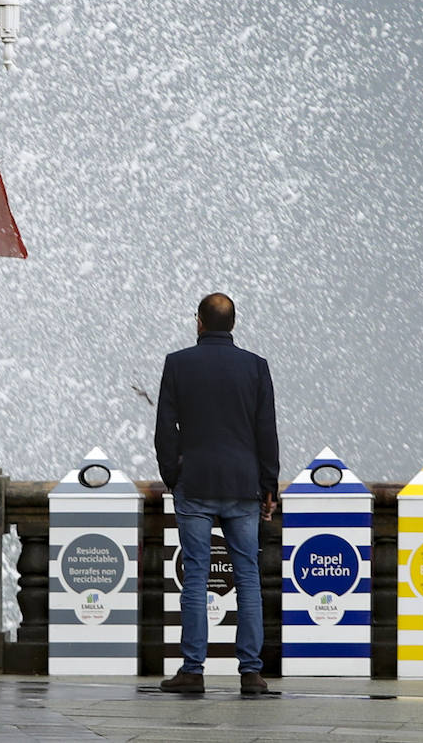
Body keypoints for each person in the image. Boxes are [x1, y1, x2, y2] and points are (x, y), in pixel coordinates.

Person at [155, 292, 280, 695]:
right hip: (243, 485)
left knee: (195, 577)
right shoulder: (255, 367)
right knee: (247, 576)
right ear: (234, 323)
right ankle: (251, 672)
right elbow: (266, 432)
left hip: (195, 483)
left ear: (199, 322)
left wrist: (174, 475)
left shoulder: (178, 364)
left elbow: (164, 431)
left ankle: (193, 668)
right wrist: (268, 485)